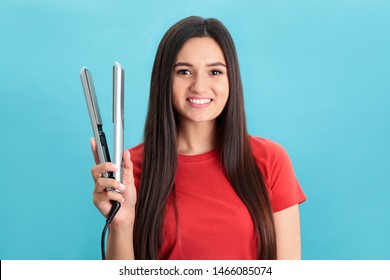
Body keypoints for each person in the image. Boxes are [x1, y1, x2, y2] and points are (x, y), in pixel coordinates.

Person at [90, 16, 306, 260]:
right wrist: (121, 223)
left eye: (215, 71)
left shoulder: (270, 159)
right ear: (164, 81)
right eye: (184, 71)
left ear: (231, 79)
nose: (200, 87)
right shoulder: (130, 169)